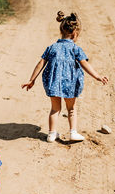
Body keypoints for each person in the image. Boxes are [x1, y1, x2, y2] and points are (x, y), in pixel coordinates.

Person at [22, 11, 108, 142]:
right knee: (71, 109)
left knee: (55, 109)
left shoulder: (52, 47)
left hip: (53, 83)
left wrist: (31, 80)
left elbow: (41, 63)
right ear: (75, 34)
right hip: (70, 84)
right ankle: (73, 132)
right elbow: (84, 64)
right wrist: (97, 76)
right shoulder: (75, 49)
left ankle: (51, 134)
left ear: (61, 30)